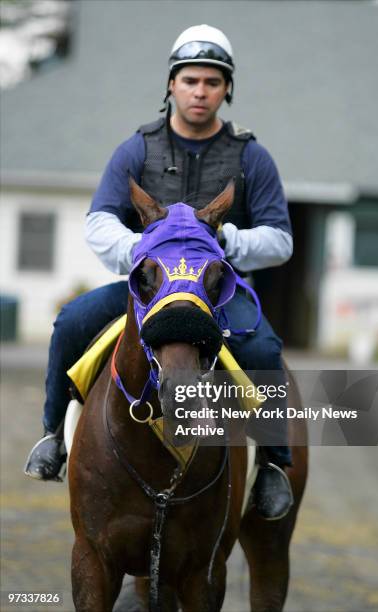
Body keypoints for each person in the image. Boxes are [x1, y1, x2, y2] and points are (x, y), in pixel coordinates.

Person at [25, 24, 294, 520]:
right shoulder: (136, 150)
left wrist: (228, 242)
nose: (200, 91)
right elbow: (99, 220)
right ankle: (50, 439)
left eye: (212, 82)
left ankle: (275, 463)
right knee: (70, 322)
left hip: (216, 290)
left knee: (264, 348)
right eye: (190, 80)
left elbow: (280, 240)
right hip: (149, 288)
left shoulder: (251, 158)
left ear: (227, 89)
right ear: (171, 84)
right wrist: (141, 251)